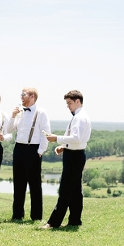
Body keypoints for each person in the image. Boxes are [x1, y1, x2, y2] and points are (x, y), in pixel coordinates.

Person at [42, 90, 92, 229]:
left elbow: (77, 138)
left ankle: (53, 223)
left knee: (65, 190)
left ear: (78, 101)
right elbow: (75, 139)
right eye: (67, 103)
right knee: (75, 191)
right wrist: (63, 146)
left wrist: (56, 139)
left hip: (75, 157)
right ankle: (75, 220)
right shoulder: (78, 116)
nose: (68, 106)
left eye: (70, 103)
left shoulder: (80, 117)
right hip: (74, 154)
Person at [4, 87, 50, 222]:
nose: (21, 97)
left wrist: (40, 152)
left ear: (32, 96)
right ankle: (17, 215)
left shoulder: (41, 112)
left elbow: (45, 133)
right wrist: (12, 116)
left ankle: (36, 216)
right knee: (18, 183)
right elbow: (9, 129)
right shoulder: (20, 111)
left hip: (33, 150)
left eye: (23, 95)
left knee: (35, 185)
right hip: (19, 149)